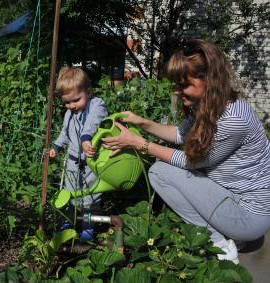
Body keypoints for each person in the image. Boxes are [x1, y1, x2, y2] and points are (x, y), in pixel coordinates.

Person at [101, 39, 270, 264]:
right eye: (176, 85)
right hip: (234, 200)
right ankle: (228, 231)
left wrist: (140, 143)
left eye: (183, 85)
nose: (177, 91)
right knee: (165, 166)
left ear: (209, 79)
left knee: (160, 172)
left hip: (250, 216)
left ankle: (219, 244)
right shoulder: (209, 103)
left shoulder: (233, 120)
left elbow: (192, 162)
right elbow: (181, 134)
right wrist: (142, 122)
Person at [50, 67, 108, 241]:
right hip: (73, 163)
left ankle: (88, 226)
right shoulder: (70, 113)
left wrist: (86, 138)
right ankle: (70, 220)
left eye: (76, 100)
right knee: (69, 194)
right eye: (67, 102)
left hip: (92, 163)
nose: (72, 105)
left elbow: (93, 122)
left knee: (90, 197)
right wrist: (57, 145)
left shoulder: (96, 105)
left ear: (88, 91)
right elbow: (65, 132)